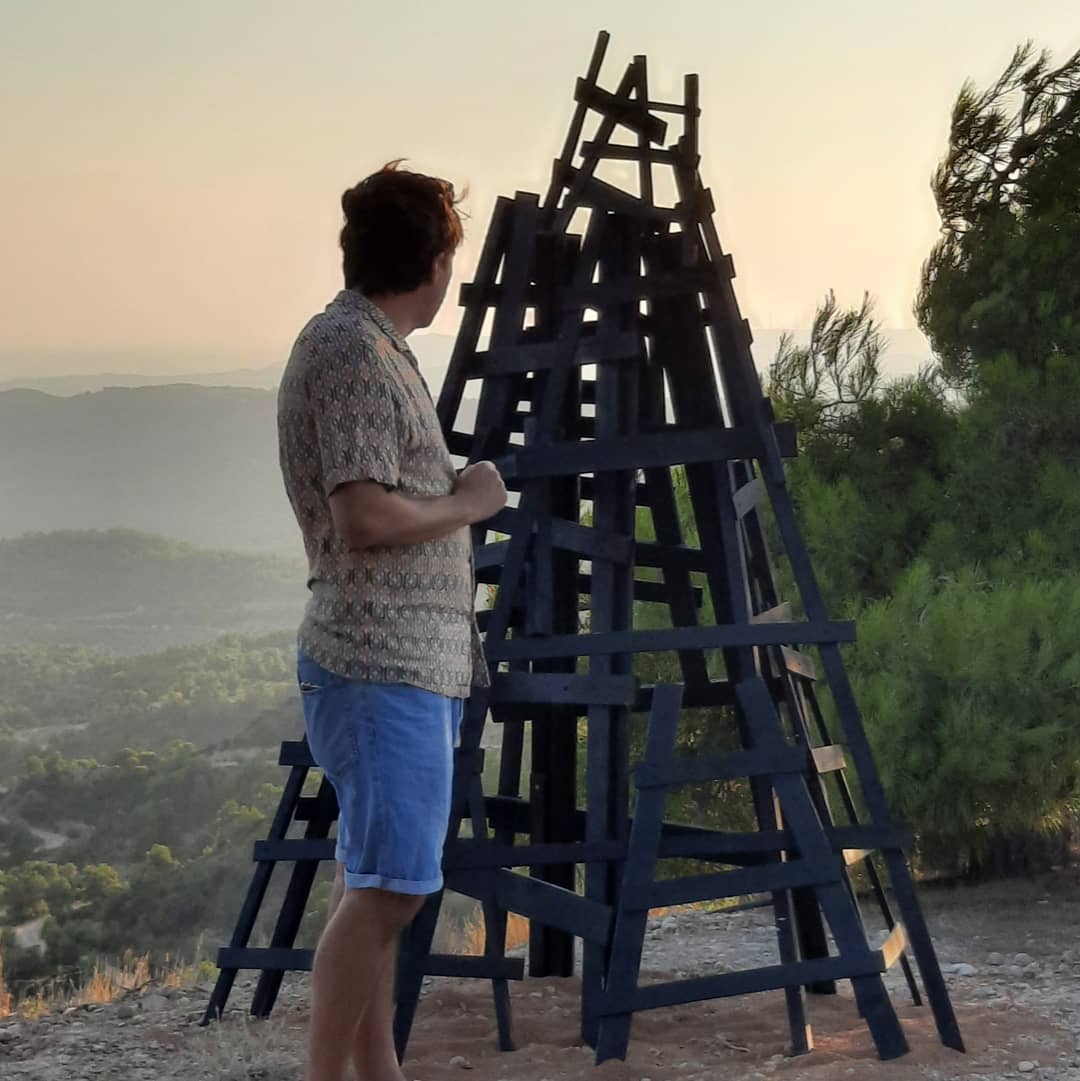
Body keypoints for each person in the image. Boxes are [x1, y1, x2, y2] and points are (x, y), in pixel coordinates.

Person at [277, 161, 507, 1081]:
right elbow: (363, 514)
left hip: (399, 666)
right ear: (435, 262)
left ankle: (379, 1072)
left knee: (372, 880)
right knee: (390, 894)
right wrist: (470, 503)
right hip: (380, 665)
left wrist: (446, 489)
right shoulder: (354, 353)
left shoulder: (369, 346)